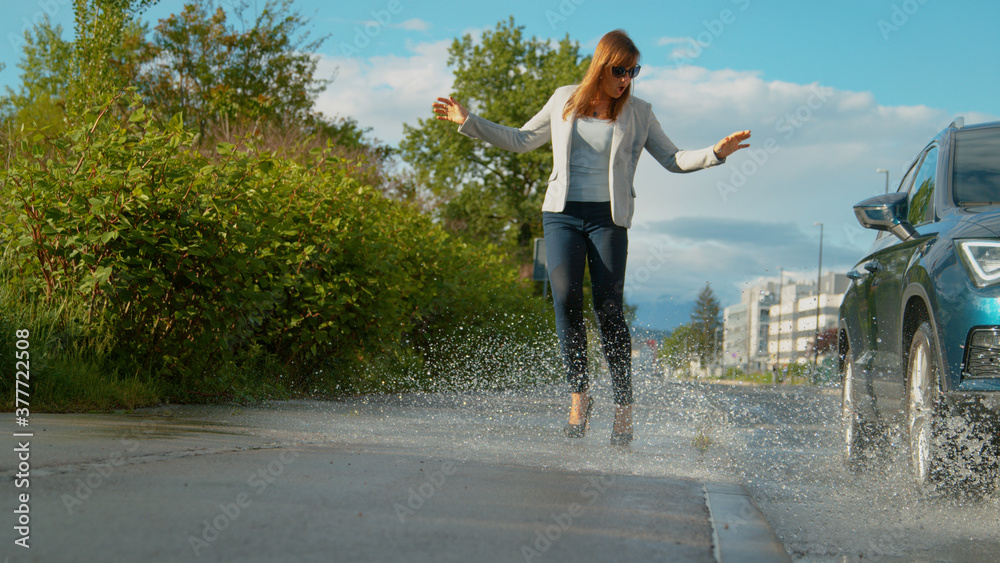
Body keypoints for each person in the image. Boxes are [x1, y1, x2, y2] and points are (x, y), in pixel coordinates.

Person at [432, 29, 749, 446]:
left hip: (609, 219)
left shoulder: (639, 112)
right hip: (561, 213)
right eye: (620, 69)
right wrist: (469, 122)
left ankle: (623, 408)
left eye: (634, 71)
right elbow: (522, 140)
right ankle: (579, 396)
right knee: (565, 298)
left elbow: (672, 159)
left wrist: (715, 153)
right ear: (602, 65)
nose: (626, 79)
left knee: (609, 308)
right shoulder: (565, 97)